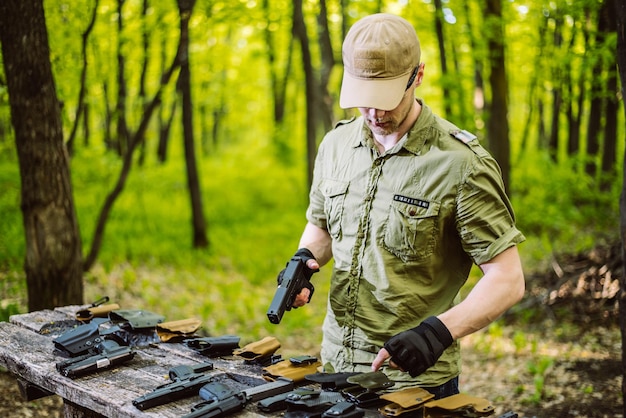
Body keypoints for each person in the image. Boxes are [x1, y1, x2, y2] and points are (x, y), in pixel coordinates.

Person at [280, 13, 525, 399]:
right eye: (363, 100)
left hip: (413, 384)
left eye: (384, 99)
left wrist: (436, 333)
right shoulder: (336, 145)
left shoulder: (461, 164)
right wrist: (303, 259)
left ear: (418, 75)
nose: (374, 114)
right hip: (334, 365)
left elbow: (507, 280)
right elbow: (322, 224)